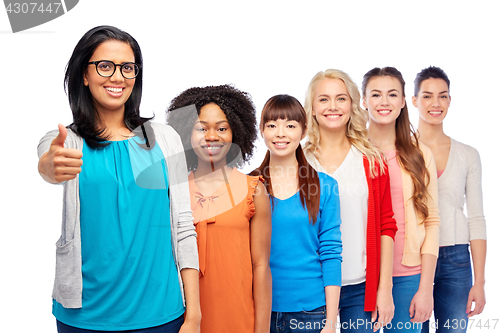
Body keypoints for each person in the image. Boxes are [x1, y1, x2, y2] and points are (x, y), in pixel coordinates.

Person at [37, 25, 201, 333]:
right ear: (84, 75)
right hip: (83, 319)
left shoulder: (165, 139)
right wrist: (49, 165)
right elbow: (48, 159)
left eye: (127, 68)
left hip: (162, 315)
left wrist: (194, 316)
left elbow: (183, 227)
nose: (118, 77)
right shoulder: (68, 142)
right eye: (105, 66)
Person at [166, 84, 272, 333]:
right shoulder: (174, 191)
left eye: (222, 128)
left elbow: (261, 267)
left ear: (236, 132)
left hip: (238, 318)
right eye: (201, 128)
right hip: (183, 320)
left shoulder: (253, 190)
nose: (212, 136)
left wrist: (262, 330)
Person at [303, 69, 397, 332]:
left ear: (352, 104)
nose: (332, 106)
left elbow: (386, 226)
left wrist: (384, 288)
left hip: (360, 289)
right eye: (323, 99)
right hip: (313, 288)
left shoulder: (372, 160)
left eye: (341, 98)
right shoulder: (299, 160)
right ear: (311, 107)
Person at [251, 94, 342, 333]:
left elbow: (331, 254)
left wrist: (331, 323)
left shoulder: (326, 186)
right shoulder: (248, 185)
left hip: (310, 313)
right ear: (262, 130)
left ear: (303, 131)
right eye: (272, 125)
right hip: (258, 308)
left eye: (290, 125)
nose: (280, 133)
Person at [362, 67, 440, 332]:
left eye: (392, 94)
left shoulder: (420, 154)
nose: (384, 102)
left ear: (404, 101)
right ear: (363, 101)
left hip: (409, 276)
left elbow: (432, 221)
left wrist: (426, 288)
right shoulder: (352, 152)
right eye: (376, 94)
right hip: (363, 276)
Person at [412, 66, 486, 333]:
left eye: (443, 96)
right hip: (413, 258)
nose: (436, 103)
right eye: (428, 96)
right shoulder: (402, 151)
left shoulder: (468, 155)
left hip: (456, 259)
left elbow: (476, 218)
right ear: (414, 101)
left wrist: (480, 282)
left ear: (450, 101)